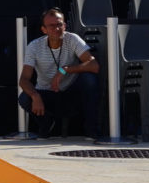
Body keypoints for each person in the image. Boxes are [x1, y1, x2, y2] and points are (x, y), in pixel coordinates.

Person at [17, 8, 98, 137]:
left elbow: (94, 65)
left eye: (59, 24)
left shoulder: (72, 39)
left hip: (70, 94)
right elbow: (24, 79)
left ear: (64, 26)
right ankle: (45, 123)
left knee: (88, 79)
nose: (56, 29)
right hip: (47, 95)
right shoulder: (34, 46)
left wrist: (65, 69)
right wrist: (36, 96)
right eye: (51, 26)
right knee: (25, 98)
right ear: (44, 29)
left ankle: (92, 130)